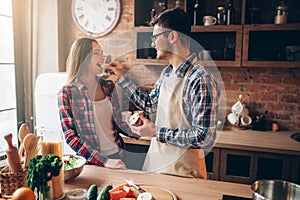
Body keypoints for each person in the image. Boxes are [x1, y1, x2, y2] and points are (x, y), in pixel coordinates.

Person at [108, 8, 219, 178]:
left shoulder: (200, 78)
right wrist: (122, 77)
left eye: (156, 37)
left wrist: (155, 132)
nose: (153, 43)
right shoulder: (168, 72)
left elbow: (204, 137)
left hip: (184, 174)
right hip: (157, 167)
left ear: (172, 36)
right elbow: (150, 104)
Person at [57, 38, 139, 169]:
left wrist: (141, 132)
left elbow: (118, 122)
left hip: (118, 155)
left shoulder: (107, 86)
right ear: (82, 57)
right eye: (97, 53)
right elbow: (71, 137)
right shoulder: (67, 93)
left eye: (102, 53)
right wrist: (104, 161)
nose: (102, 58)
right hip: (92, 163)